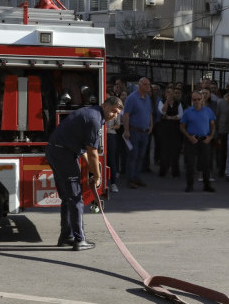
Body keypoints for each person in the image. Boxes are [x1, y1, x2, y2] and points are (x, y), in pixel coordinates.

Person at [46, 96, 123, 251]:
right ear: (105, 105)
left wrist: (92, 170)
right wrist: (98, 176)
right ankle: (79, 240)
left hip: (55, 151)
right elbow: (93, 152)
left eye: (118, 113)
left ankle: (66, 236)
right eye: (113, 111)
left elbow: (85, 151)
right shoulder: (94, 120)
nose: (114, 115)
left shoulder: (91, 113)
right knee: (75, 198)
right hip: (64, 154)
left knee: (67, 197)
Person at [180, 91, 217, 193]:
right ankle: (189, 185)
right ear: (191, 100)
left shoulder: (208, 111)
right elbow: (182, 127)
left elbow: (213, 125)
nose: (196, 101)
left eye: (198, 99)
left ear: (202, 100)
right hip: (192, 140)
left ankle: (207, 185)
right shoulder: (187, 112)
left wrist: (210, 137)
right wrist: (189, 136)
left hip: (204, 140)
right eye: (194, 99)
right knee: (190, 164)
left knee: (206, 164)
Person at [122, 77, 153, 189]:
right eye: (146, 84)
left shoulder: (147, 98)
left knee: (141, 156)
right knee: (133, 156)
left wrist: (151, 125)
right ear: (140, 85)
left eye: (149, 84)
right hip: (134, 131)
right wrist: (126, 130)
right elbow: (126, 114)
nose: (148, 86)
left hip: (144, 132)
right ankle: (130, 179)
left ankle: (136, 177)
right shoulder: (132, 98)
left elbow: (149, 112)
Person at [157, 86, 183, 178]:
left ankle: (175, 171)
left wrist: (169, 117)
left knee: (175, 151)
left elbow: (180, 115)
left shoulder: (178, 103)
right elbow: (163, 112)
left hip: (175, 129)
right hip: (165, 129)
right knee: (164, 150)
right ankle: (163, 170)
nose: (169, 95)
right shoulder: (161, 102)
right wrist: (167, 102)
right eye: (168, 93)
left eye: (171, 93)